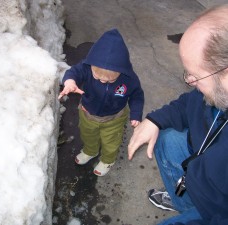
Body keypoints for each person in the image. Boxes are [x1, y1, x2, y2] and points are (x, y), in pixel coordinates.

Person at [128, 4, 228, 225]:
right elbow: (190, 102)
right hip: (204, 167)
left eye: (195, 75)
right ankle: (184, 202)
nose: (189, 81)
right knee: (166, 138)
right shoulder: (220, 92)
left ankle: (193, 212)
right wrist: (155, 119)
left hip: (219, 210)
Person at [59, 29, 144, 176]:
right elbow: (74, 72)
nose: (103, 80)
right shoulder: (87, 67)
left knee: (111, 142)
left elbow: (137, 95)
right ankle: (90, 151)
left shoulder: (129, 79)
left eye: (110, 79)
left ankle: (107, 159)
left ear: (122, 70)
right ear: (91, 64)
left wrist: (136, 114)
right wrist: (70, 81)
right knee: (87, 135)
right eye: (97, 76)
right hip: (87, 113)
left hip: (114, 118)